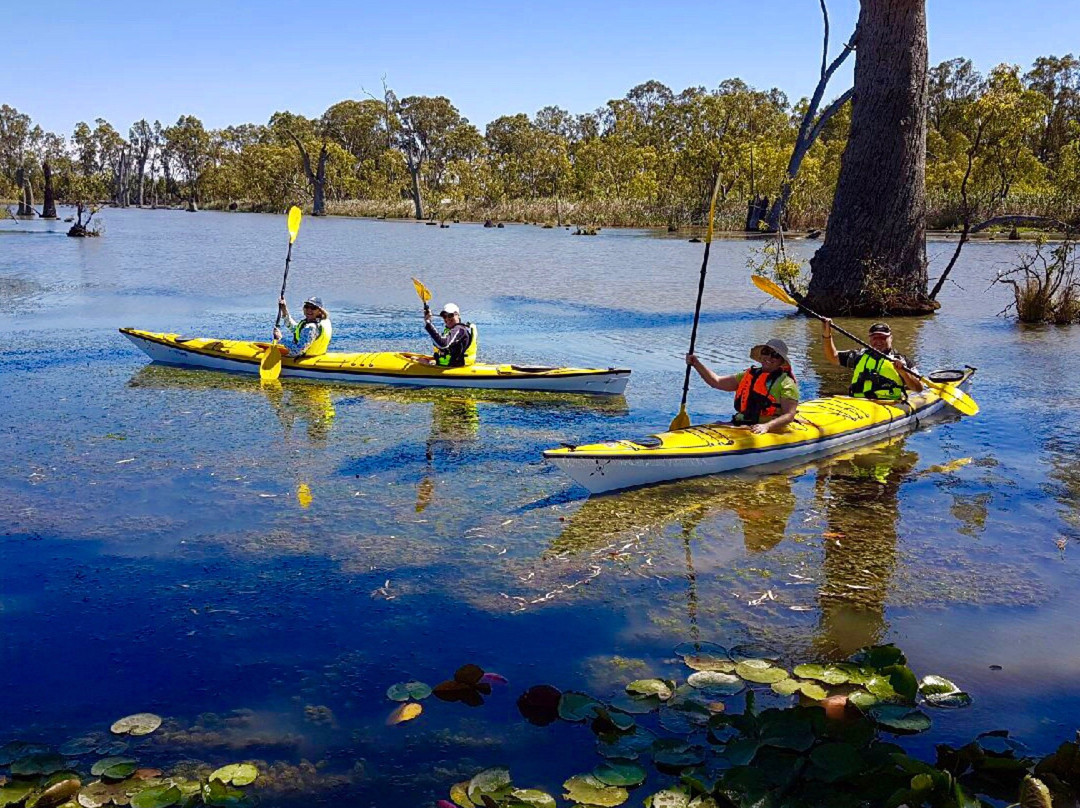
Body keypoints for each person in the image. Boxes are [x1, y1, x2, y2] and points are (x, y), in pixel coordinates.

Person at [685, 338, 800, 434]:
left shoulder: (786, 383)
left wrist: (767, 426)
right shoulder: (748, 375)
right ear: (761, 355)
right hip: (741, 424)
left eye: (775, 355)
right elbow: (716, 382)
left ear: (781, 361)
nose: (769, 357)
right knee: (716, 424)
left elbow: (789, 415)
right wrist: (696, 363)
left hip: (766, 428)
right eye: (766, 352)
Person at [822, 320, 923, 399]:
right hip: (858, 402)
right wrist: (827, 335)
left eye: (883, 338)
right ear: (870, 339)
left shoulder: (902, 360)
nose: (878, 341)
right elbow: (833, 357)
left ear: (890, 338)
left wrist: (904, 373)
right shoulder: (859, 355)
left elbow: (918, 388)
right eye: (875, 338)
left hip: (888, 404)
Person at [423, 302, 477, 367]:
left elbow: (443, 344)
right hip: (449, 366)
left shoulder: (459, 330)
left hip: (456, 368)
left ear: (457, 315)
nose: (447, 318)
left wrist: (428, 323)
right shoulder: (451, 330)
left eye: (450, 315)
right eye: (444, 316)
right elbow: (439, 345)